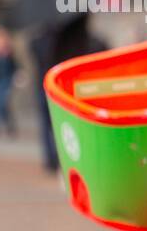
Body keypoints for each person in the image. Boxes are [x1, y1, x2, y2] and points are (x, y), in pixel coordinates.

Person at [31, 14, 107, 171]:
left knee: (48, 124)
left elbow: (35, 48)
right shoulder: (87, 41)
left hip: (46, 88)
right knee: (70, 126)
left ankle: (52, 159)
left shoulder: (45, 40)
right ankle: (65, 158)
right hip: (71, 92)